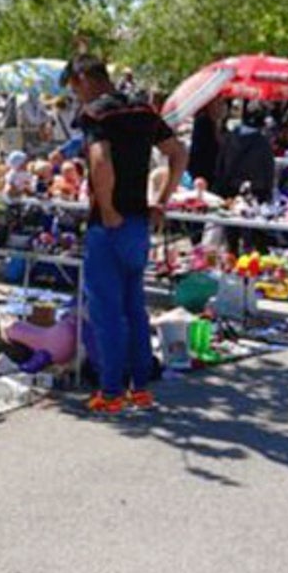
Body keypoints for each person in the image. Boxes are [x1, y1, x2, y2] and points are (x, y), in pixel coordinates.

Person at [71, 54, 188, 415]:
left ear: (82, 80)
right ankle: (140, 388)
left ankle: (110, 392)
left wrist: (106, 209)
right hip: (139, 221)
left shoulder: (96, 115)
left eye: (75, 89)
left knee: (106, 311)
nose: (76, 97)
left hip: (110, 225)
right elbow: (178, 152)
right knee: (134, 308)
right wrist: (161, 201)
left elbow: (100, 160)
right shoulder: (143, 110)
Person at [215, 107, 275, 202]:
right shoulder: (263, 143)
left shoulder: (229, 138)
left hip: (229, 187)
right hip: (255, 190)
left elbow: (220, 162)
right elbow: (269, 169)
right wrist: (268, 191)